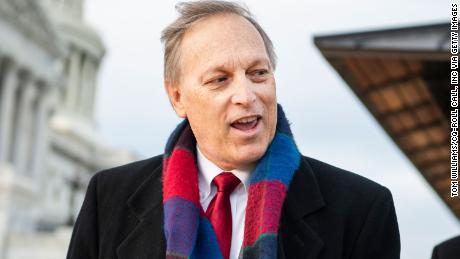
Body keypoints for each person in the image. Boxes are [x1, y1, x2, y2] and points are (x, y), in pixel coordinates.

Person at [66, 1, 400, 258]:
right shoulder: (109, 198)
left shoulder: (362, 210)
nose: (246, 95)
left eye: (258, 73)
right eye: (220, 80)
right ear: (177, 96)